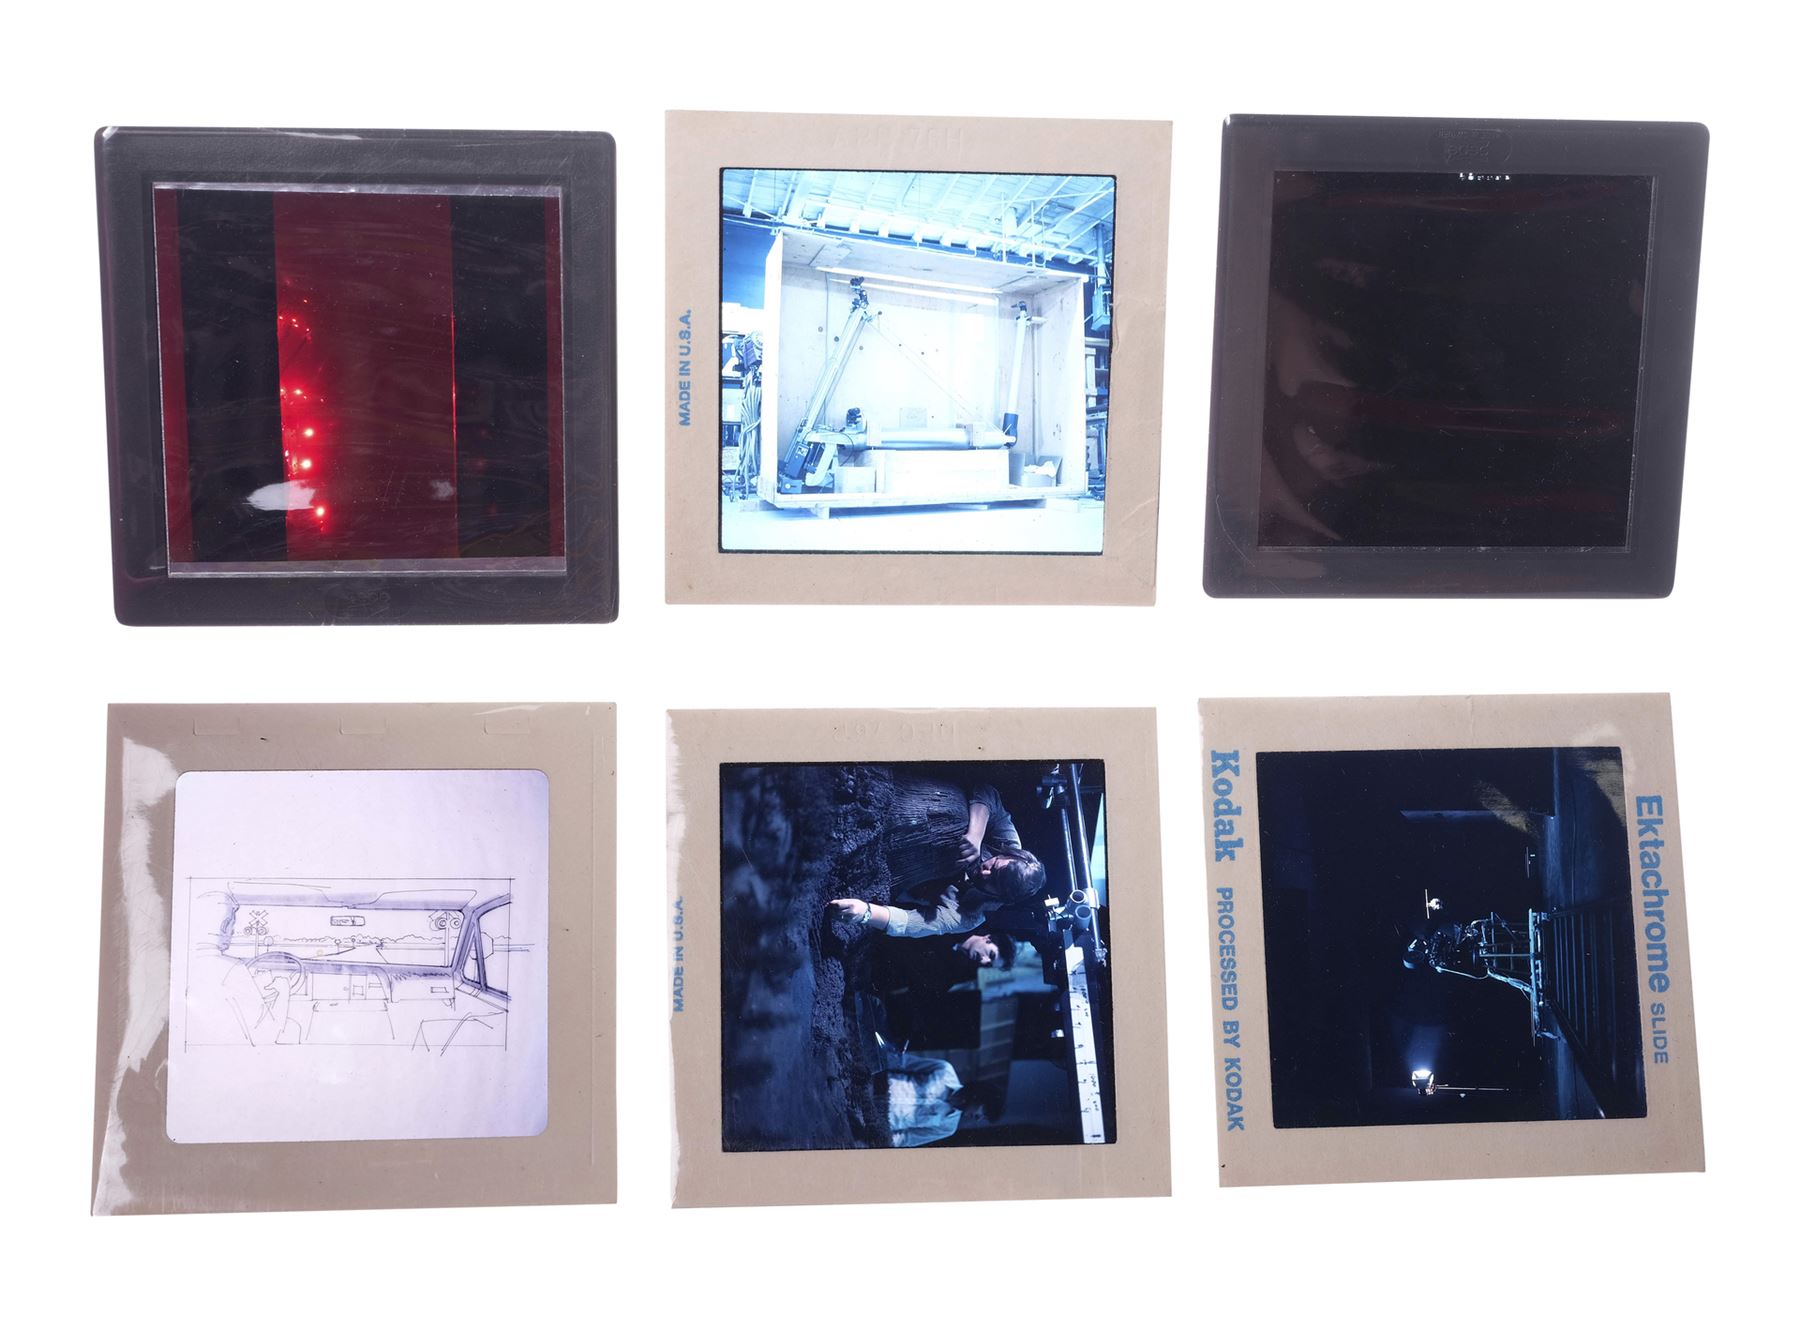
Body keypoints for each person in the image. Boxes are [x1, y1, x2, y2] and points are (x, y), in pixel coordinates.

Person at [828, 777, 1047, 940]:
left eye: (993, 882)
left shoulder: (971, 915)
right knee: (961, 818)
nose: (985, 871)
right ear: (1007, 855)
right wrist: (975, 834)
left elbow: (914, 924)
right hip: (901, 803)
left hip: (884, 867)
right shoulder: (1009, 843)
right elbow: (988, 793)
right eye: (994, 866)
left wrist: (865, 912)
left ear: (1000, 897)